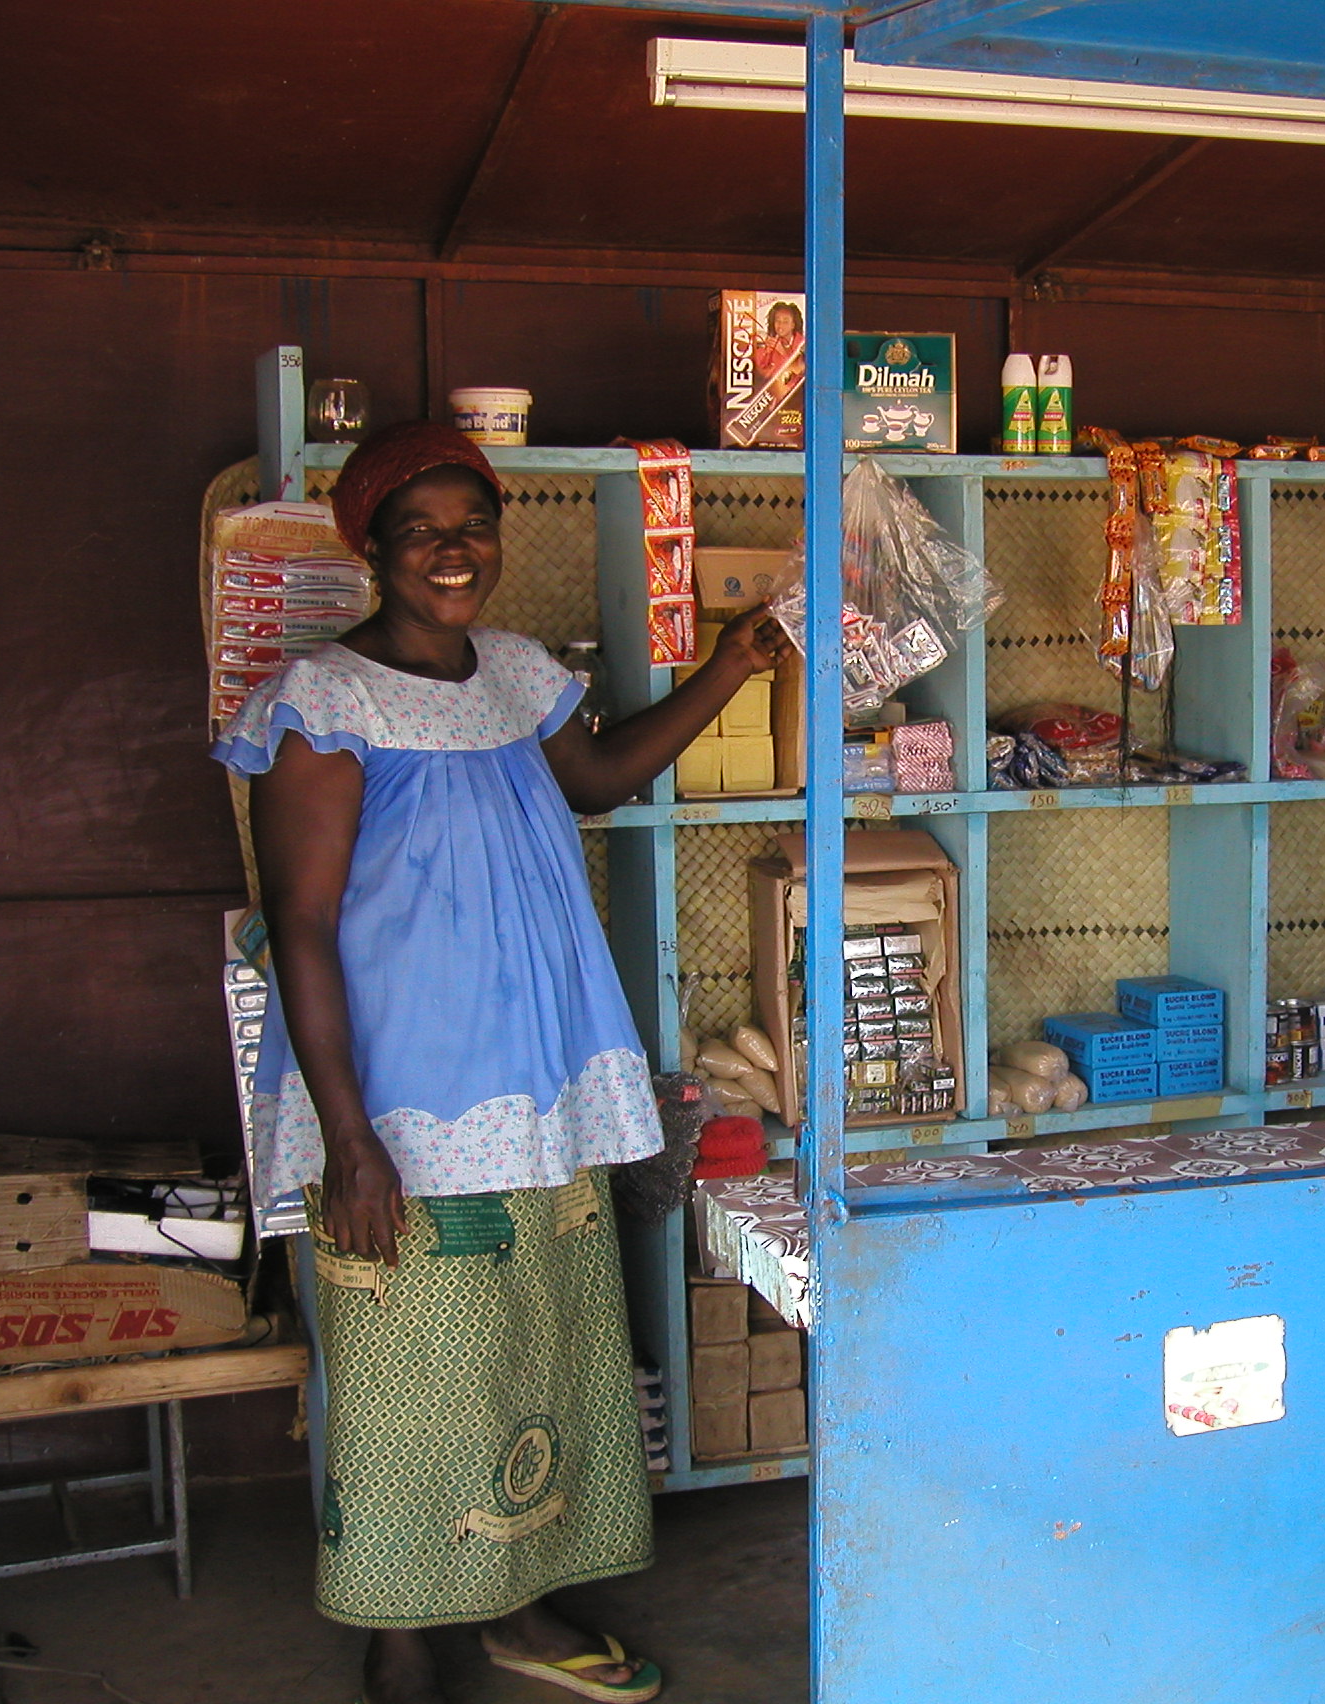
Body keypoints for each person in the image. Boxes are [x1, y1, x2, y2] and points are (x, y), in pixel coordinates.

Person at [213, 420, 793, 1704]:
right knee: (411, 1388)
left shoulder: (515, 673)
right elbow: (300, 925)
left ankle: (516, 1613)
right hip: (402, 1110)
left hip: (537, 1088)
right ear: (371, 547)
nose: (450, 551)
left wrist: (732, 667)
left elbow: (593, 778)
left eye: (469, 523)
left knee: (536, 1354)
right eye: (417, 530)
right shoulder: (325, 703)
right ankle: (401, 1637)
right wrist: (350, 1141)